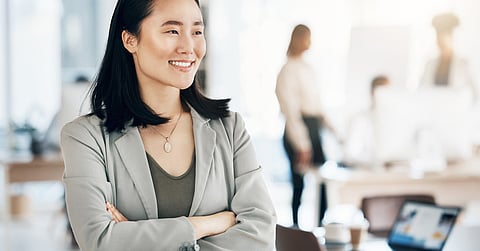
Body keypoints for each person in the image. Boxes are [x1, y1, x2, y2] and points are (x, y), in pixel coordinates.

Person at [60, 0, 276, 250]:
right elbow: (100, 241)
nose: (188, 47)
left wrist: (138, 238)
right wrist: (205, 224)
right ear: (131, 40)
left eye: (196, 31)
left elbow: (261, 239)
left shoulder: (230, 129)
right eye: (172, 31)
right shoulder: (85, 138)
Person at [275, 24, 338, 227]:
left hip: (314, 127)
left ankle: (321, 227)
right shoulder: (288, 70)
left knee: (324, 182)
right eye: (307, 38)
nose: (310, 43)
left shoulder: (309, 68)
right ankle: (295, 227)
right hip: (298, 130)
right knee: (299, 183)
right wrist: (302, 144)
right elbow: (291, 112)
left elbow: (318, 106)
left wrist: (336, 132)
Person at [420, 12, 477, 98]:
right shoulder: (429, 64)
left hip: (457, 110)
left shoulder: (464, 64)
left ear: (452, 37)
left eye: (443, 39)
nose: (439, 42)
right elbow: (420, 92)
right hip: (431, 109)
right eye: (438, 38)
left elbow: (476, 96)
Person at [343, 75, 390, 168]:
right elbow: (350, 155)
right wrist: (378, 162)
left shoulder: (394, 122)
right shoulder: (360, 120)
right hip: (365, 175)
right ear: (373, 93)